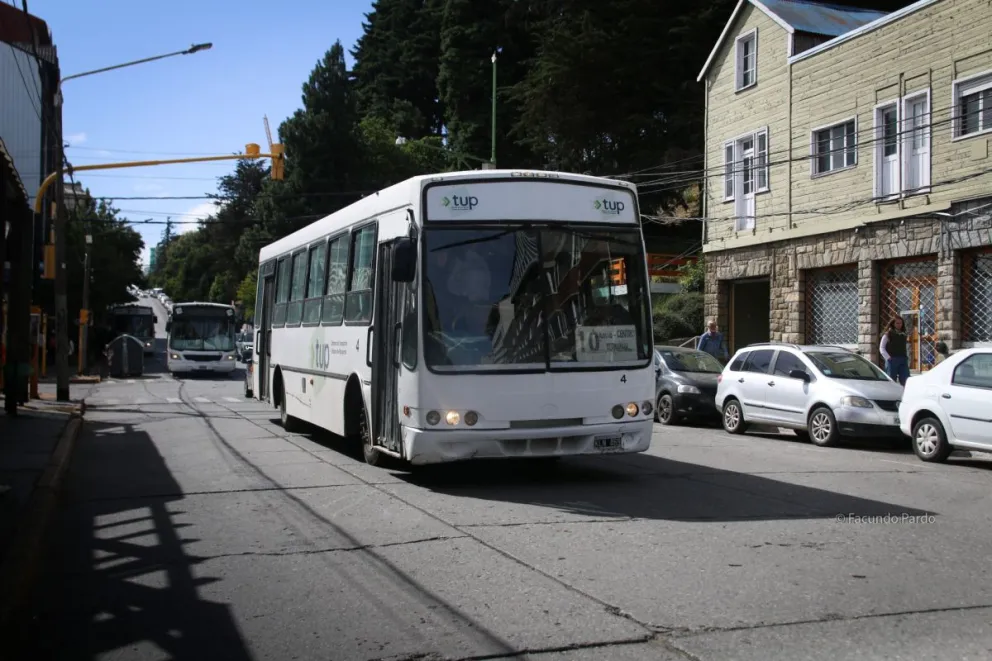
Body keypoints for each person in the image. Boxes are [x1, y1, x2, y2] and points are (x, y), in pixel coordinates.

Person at [879, 317, 910, 385]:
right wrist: (888, 358)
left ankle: (904, 395)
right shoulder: (888, 334)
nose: (899, 325)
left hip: (903, 360)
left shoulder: (903, 334)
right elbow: (881, 347)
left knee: (906, 380)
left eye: (901, 323)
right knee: (891, 382)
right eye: (897, 323)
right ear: (893, 324)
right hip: (892, 360)